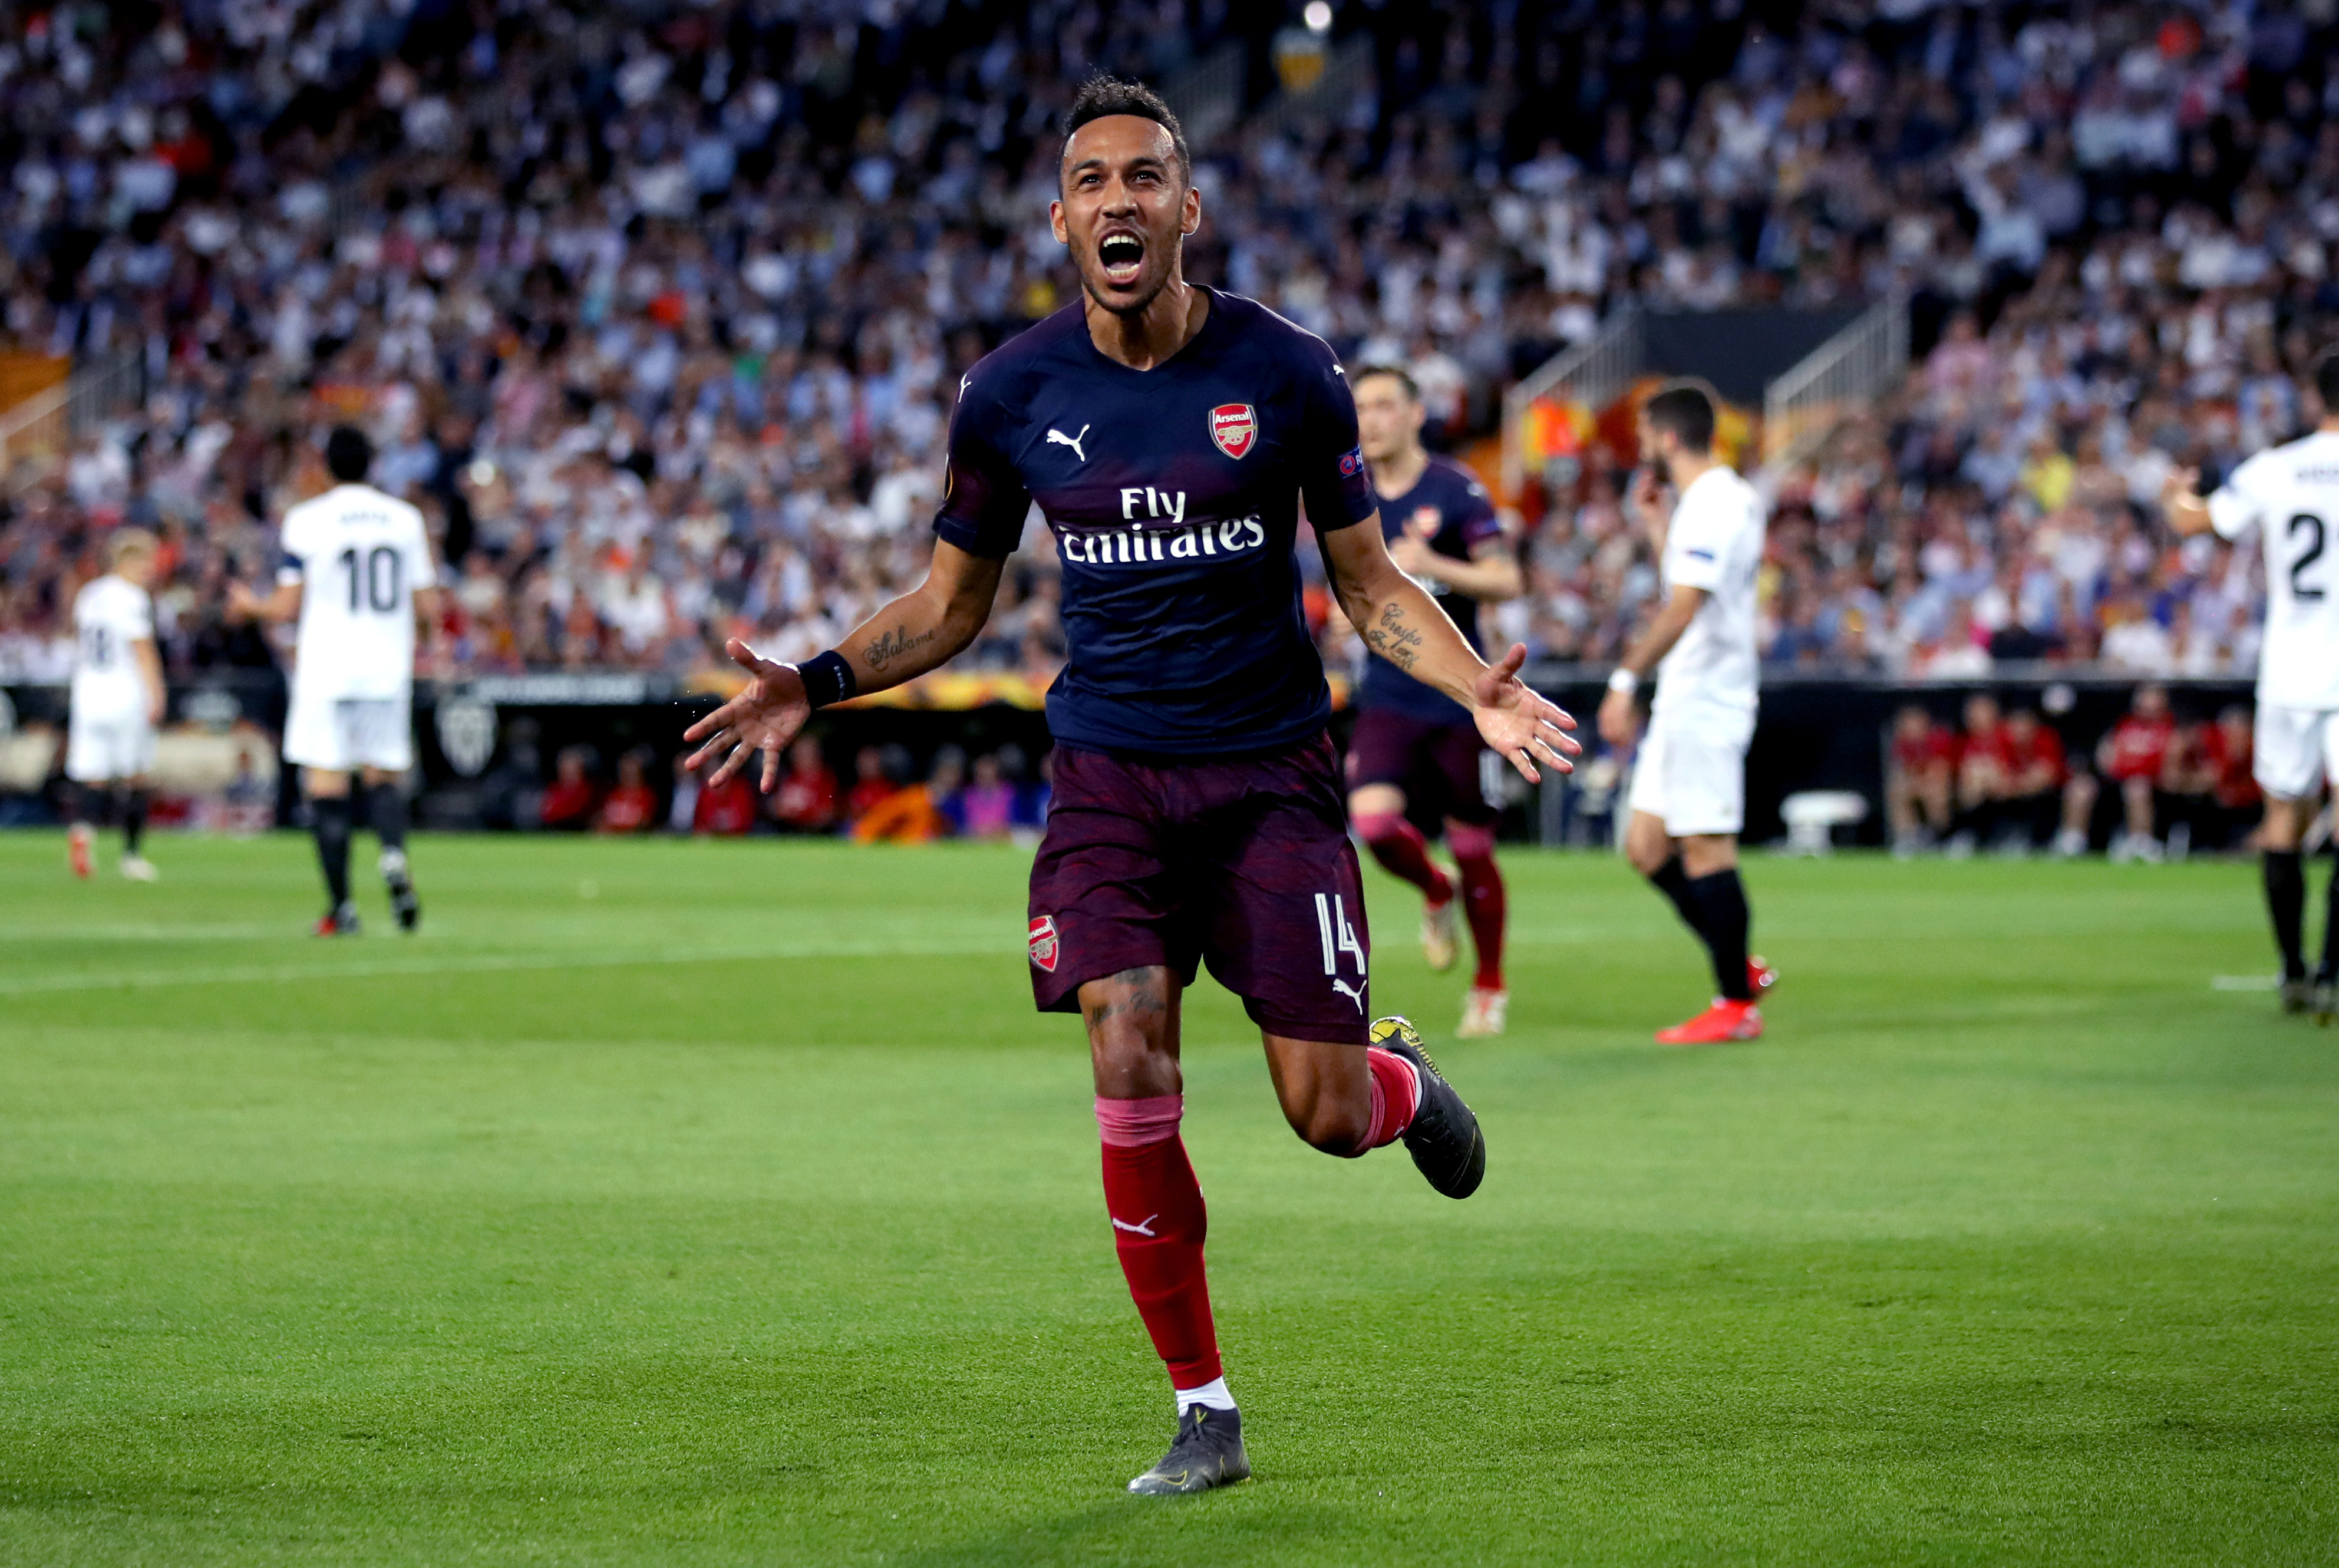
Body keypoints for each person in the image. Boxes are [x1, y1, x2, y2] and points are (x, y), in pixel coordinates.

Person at [681, 78, 1575, 1496]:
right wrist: (818, 678)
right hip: (1107, 780)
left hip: (1271, 781)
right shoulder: (1013, 390)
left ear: (1185, 208)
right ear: (1062, 218)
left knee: (1323, 1116)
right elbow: (951, 603)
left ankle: (1401, 1082)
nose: (1118, 201)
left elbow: (1369, 582)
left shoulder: (1286, 371)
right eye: (1092, 181)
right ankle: (1204, 1409)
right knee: (1125, 1046)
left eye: (1145, 178)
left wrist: (1479, 684)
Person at [1343, 364, 1523, 1037]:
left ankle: (1489, 985)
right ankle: (1434, 887)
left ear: (1417, 414)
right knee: (1375, 826)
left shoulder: (1456, 489)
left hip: (1459, 694)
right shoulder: (1350, 492)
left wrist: (1432, 565)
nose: (1373, 419)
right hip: (1388, 691)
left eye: (1387, 405)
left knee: (1475, 843)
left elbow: (1507, 579)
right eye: (1363, 407)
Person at [1597, 381, 1774, 1045]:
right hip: (1686, 694)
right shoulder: (1713, 502)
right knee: (1646, 848)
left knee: (1705, 847)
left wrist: (1624, 679)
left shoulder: (1717, 501)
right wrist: (1655, 527)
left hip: (1707, 695)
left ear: (1668, 438)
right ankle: (1739, 966)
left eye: (1645, 433)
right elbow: (1692, 582)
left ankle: (1735, 1005)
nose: (1640, 446)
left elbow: (1685, 606)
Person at [2163, 351, 2339, 1016]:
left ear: (2316, 399)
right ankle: (2331, 970)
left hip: (2290, 672)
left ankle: (2292, 969)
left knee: (2281, 820)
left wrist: (2173, 490)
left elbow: (2191, 521)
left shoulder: (2276, 467)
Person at [230, 427, 441, 935]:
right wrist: (423, 640)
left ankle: (342, 907)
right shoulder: (405, 519)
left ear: (324, 466)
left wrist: (247, 605)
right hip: (386, 666)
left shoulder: (307, 520)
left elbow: (285, 606)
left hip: (327, 666)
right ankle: (392, 856)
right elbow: (428, 606)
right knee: (383, 774)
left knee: (326, 784)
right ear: (373, 463)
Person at [64, 528, 166, 882]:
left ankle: (82, 834)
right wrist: (157, 692)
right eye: (147, 561)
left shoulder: (89, 595)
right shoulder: (131, 597)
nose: (151, 569)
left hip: (88, 692)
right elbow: (142, 648)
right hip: (125, 692)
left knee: (92, 776)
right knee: (136, 775)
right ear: (130, 560)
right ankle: (132, 856)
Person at [2096, 682, 2176, 863]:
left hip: (2157, 786)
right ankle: (2073, 841)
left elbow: (2169, 764)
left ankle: (2142, 841)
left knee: (2137, 787)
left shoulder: (2171, 728)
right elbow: (2107, 758)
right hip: (2120, 781)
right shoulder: (2124, 725)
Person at [1884, 704, 1953, 856]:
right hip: (1917, 786)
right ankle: (1907, 839)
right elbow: (1900, 774)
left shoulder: (1937, 739)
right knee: (1897, 793)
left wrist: (1917, 784)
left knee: (1936, 793)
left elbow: (1940, 774)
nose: (1910, 728)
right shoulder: (1903, 744)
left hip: (1941, 787)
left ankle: (1942, 839)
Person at [769, 737, 839, 833]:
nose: (802, 756)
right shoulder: (788, 779)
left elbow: (828, 815)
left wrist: (801, 813)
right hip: (789, 830)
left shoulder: (827, 779)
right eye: (799, 752)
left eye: (808, 753)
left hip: (818, 832)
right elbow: (777, 809)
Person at [595, 747, 659, 834]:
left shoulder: (647, 795)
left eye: (633, 772)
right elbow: (603, 820)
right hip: (610, 839)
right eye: (626, 771)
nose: (629, 775)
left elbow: (646, 823)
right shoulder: (614, 793)